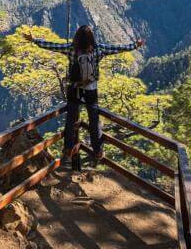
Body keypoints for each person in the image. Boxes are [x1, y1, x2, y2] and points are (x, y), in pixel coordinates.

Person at [24, 25, 144, 167]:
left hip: (74, 89)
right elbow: (118, 49)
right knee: (94, 120)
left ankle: (68, 150)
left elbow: (52, 46)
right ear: (92, 38)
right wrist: (135, 45)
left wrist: (34, 40)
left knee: (71, 120)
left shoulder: (71, 49)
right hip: (91, 89)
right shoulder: (99, 49)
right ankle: (98, 150)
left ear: (77, 37)